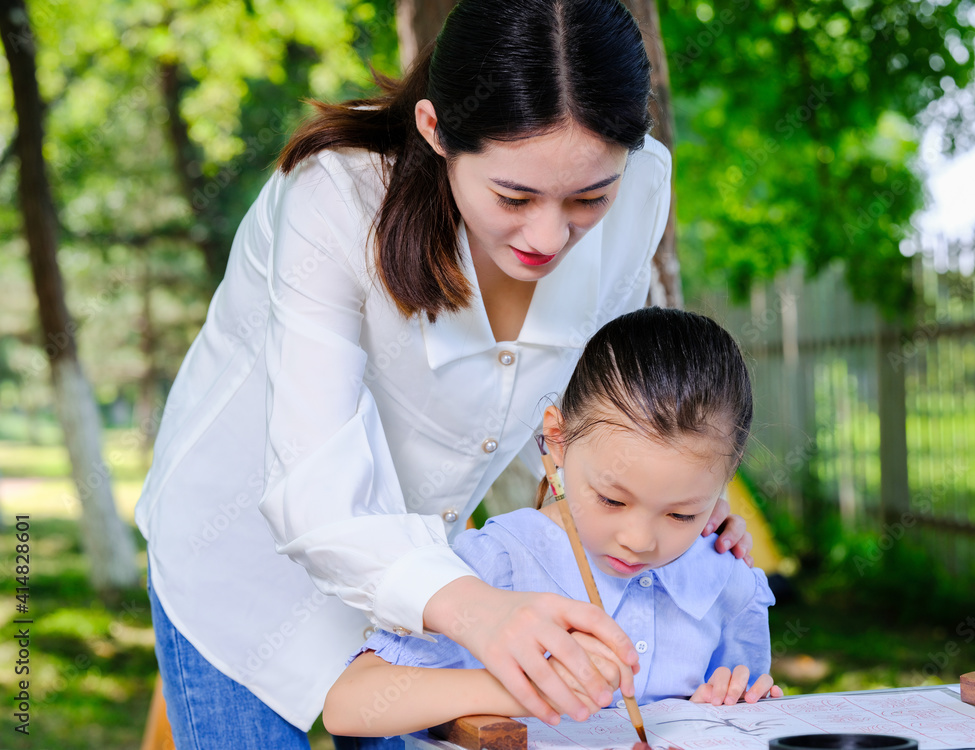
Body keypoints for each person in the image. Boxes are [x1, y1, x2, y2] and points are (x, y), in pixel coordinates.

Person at [135, 0, 756, 746]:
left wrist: (670, 501)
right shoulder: (335, 198)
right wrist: (480, 612)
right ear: (435, 131)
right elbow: (314, 494)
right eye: (514, 196)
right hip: (246, 564)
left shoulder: (642, 191)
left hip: (433, 582)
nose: (550, 235)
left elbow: (590, 404)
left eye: (589, 196)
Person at [323, 308, 781, 738]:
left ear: (727, 474)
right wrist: (523, 688)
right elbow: (347, 705)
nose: (638, 541)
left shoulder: (728, 580)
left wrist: (722, 709)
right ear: (557, 442)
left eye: (682, 513)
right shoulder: (498, 564)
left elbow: (745, 708)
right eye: (611, 499)